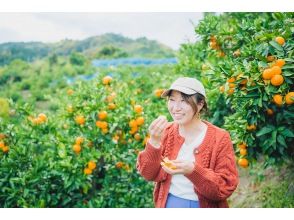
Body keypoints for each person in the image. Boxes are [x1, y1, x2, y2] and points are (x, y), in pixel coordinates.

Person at [136, 77, 239, 208]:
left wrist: (193, 170)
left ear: (200, 104)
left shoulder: (219, 138)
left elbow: (225, 187)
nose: (176, 108)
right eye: (172, 100)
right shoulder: (165, 132)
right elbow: (148, 174)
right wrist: (154, 142)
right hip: (169, 203)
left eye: (183, 101)